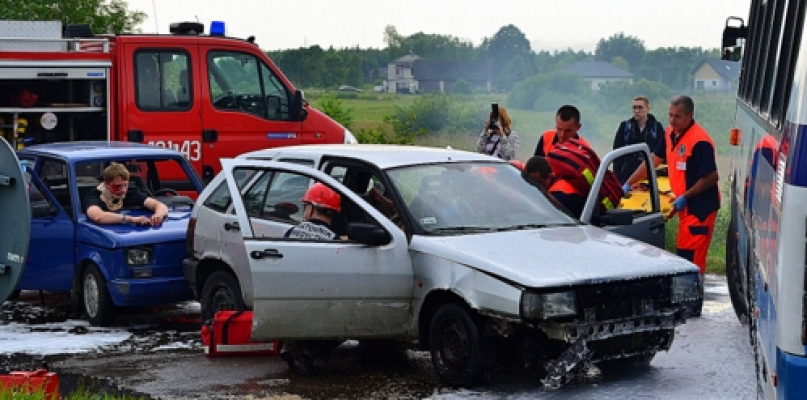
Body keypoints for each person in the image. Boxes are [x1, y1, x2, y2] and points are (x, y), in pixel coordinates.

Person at [623, 94, 720, 278]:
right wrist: (628, 183)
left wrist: (686, 197)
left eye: (677, 116)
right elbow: (653, 160)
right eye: (670, 115)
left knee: (691, 259)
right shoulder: (670, 133)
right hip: (685, 206)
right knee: (683, 254)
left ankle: (693, 291)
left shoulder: (700, 141)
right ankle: (687, 289)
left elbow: (711, 176)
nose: (672, 120)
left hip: (699, 208)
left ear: (690, 116)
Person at [84, 162, 168, 226]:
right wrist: (131, 219)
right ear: (106, 184)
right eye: (117, 186)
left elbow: (159, 205)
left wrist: (158, 215)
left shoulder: (131, 193)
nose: (123, 190)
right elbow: (98, 216)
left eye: (125, 185)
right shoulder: (95, 196)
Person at [612, 95, 665, 183]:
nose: (637, 111)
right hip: (627, 176)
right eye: (634, 108)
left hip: (649, 177)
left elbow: (662, 154)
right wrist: (616, 179)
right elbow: (616, 154)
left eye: (640, 107)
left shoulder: (656, 127)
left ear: (648, 108)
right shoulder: (625, 127)